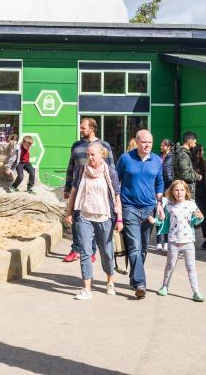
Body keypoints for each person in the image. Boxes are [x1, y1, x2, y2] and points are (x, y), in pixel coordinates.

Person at [65, 140, 122, 300]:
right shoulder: (81, 170)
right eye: (88, 154)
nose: (89, 157)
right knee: (85, 251)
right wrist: (69, 213)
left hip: (104, 216)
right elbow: (74, 192)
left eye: (92, 154)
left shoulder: (110, 172)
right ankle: (86, 289)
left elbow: (117, 195)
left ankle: (110, 281)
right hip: (84, 216)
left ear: (101, 155)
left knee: (106, 253)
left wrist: (120, 219)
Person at [115, 129, 165, 299]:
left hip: (149, 210)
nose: (147, 145)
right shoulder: (125, 159)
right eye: (144, 142)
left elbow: (159, 183)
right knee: (135, 246)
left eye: (150, 142)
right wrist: (117, 207)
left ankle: (134, 277)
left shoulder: (157, 160)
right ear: (136, 142)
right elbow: (116, 182)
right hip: (130, 208)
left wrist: (159, 203)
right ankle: (140, 284)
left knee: (143, 248)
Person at [62, 118, 115, 263]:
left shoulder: (104, 146)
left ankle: (91, 251)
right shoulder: (76, 146)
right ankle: (75, 249)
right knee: (76, 220)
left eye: (83, 127)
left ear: (92, 128)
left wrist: (113, 193)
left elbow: (111, 169)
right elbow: (71, 167)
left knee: (91, 220)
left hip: (97, 192)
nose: (80, 129)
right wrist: (67, 187)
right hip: (77, 190)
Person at [156, 179, 205, 302]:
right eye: (176, 190)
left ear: (186, 191)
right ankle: (165, 286)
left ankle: (196, 292)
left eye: (182, 190)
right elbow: (163, 220)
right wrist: (155, 221)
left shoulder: (191, 204)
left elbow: (195, 220)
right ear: (172, 191)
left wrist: (200, 218)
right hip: (173, 241)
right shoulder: (169, 206)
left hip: (188, 242)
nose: (179, 192)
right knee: (170, 266)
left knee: (191, 268)